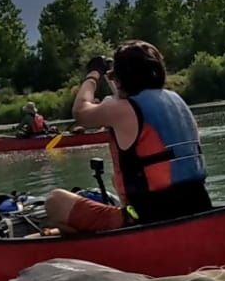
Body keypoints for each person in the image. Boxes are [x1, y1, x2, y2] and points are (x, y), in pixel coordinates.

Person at [44, 41, 210, 232]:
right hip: (199, 203)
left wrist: (93, 75)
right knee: (117, 178)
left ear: (121, 77)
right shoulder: (177, 100)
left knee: (55, 200)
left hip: (151, 216)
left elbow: (80, 111)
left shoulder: (121, 108)